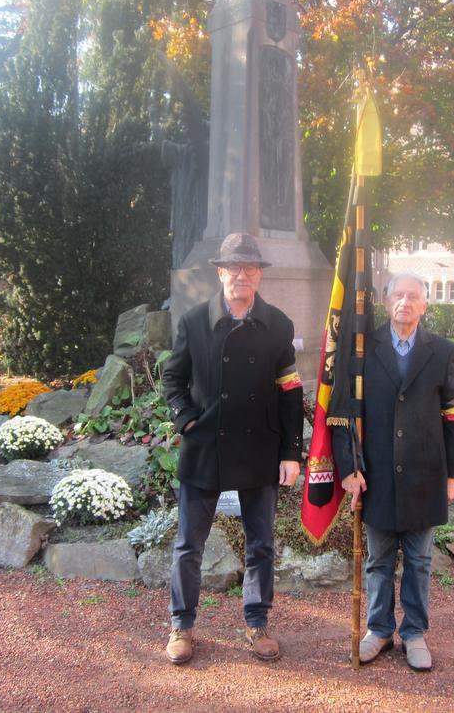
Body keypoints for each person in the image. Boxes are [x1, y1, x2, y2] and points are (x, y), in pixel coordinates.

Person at [162, 232, 304, 665]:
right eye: (234, 268)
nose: (242, 275)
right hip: (206, 447)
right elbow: (173, 380)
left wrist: (291, 453)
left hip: (259, 447)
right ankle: (181, 625)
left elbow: (289, 392)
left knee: (260, 543)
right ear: (220, 272)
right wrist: (186, 419)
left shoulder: (279, 325)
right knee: (189, 544)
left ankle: (257, 622)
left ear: (259, 275)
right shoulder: (193, 322)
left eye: (250, 268)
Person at [333, 272, 454, 672]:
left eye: (414, 297)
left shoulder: (442, 351)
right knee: (377, 560)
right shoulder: (361, 349)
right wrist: (348, 470)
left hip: (425, 474)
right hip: (377, 475)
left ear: (425, 306)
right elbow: (342, 414)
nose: (405, 303)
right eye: (397, 295)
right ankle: (378, 630)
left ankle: (414, 633)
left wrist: (453, 476)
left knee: (420, 560)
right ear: (385, 301)